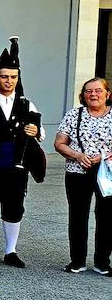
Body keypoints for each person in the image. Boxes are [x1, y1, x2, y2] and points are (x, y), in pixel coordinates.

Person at [0, 42, 42, 267]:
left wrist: (36, 131)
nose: (9, 81)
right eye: (4, 76)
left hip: (17, 165)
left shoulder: (26, 103)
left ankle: (10, 251)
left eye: (13, 77)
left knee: (14, 207)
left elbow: (38, 129)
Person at [54, 78, 112, 274]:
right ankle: (77, 261)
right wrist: (78, 155)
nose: (93, 94)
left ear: (107, 94)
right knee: (78, 215)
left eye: (98, 90)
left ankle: (102, 263)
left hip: (107, 173)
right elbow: (60, 143)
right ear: (83, 95)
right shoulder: (73, 115)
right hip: (77, 171)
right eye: (88, 91)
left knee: (107, 216)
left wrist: (102, 156)